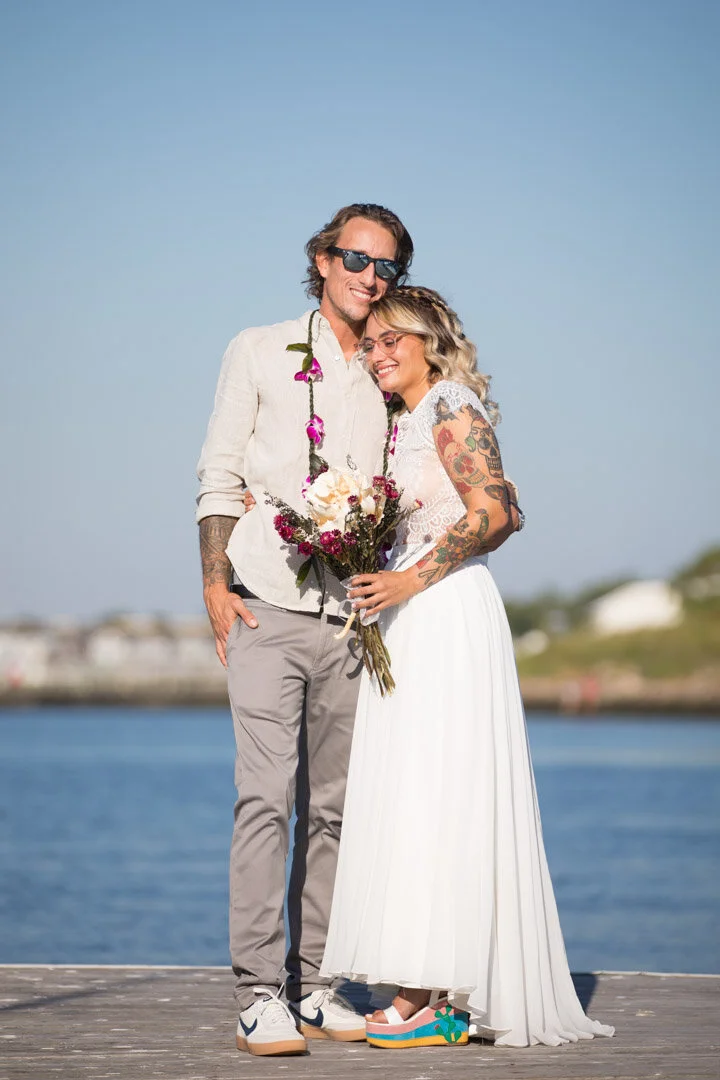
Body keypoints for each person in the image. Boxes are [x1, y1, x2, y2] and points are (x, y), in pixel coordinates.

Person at [320, 286, 615, 1050]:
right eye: (371, 342)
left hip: (445, 612)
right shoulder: (407, 421)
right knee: (415, 796)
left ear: (431, 342)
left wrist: (407, 580)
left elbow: (494, 513)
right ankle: (433, 988)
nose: (378, 353)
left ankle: (430, 996)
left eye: (393, 339)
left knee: (440, 793)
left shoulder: (450, 404)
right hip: (410, 616)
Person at [195, 204, 415, 1056]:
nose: (370, 277)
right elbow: (219, 473)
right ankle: (259, 994)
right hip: (266, 606)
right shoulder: (257, 349)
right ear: (322, 259)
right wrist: (215, 583)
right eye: (356, 258)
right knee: (264, 801)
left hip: (354, 620)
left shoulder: (393, 367)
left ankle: (315, 983)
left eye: (386, 266)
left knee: (336, 811)